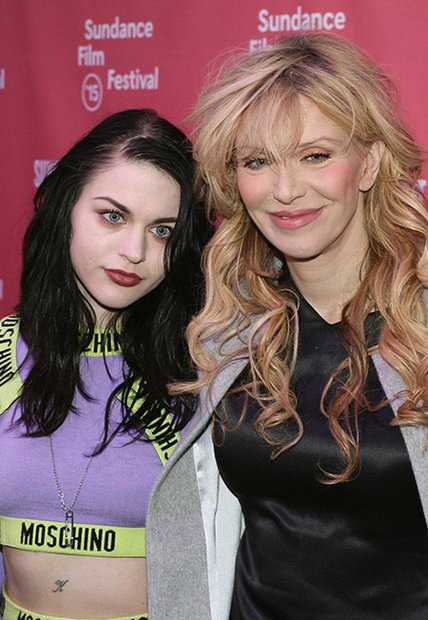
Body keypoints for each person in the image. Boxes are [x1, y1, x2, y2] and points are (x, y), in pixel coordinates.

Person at [145, 34, 428, 619]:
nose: (285, 190)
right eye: (257, 162)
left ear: (371, 163)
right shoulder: (227, 326)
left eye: (315, 155)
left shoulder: (418, 317)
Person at [0, 108, 212, 620]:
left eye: (162, 231)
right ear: (67, 207)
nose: (135, 251)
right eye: (113, 216)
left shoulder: (204, 369)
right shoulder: (4, 352)